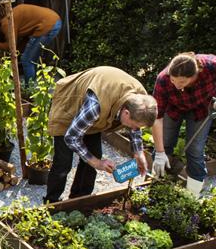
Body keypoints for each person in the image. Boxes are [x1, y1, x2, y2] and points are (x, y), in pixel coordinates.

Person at [44, 66, 157, 203]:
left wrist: (139, 153)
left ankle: (79, 199)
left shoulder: (140, 99)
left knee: (94, 155)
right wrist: (96, 162)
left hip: (92, 117)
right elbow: (71, 137)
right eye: (135, 125)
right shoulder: (95, 106)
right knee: (63, 163)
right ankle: (51, 203)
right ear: (126, 113)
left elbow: (135, 127)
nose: (134, 129)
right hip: (68, 109)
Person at [151, 53, 216, 197]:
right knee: (164, 145)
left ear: (195, 75)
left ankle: (192, 197)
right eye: (173, 80)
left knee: (195, 151)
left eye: (182, 82)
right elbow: (157, 118)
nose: (177, 85)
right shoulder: (163, 79)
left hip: (201, 109)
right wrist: (159, 153)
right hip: (173, 109)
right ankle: (156, 187)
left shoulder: (211, 66)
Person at [0, 3, 62, 85]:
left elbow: (10, 46)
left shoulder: (6, 22)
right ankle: (34, 86)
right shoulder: (15, 13)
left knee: (26, 59)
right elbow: (23, 42)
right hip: (55, 20)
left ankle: (29, 90)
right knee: (32, 59)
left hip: (47, 26)